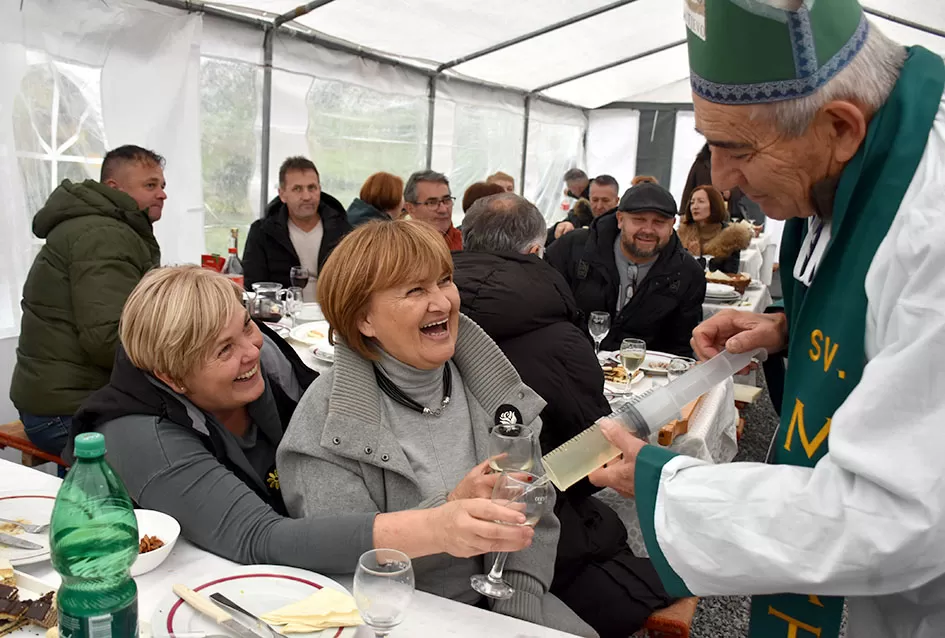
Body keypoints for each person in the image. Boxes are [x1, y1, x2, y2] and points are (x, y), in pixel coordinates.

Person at [588, 1, 945, 637]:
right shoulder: (853, 164)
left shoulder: (932, 223)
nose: (721, 177)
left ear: (839, 127)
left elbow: (894, 515)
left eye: (737, 148)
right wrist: (789, 325)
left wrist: (664, 482)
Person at [68, 266, 535, 573]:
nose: (252, 350)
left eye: (246, 327)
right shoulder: (143, 438)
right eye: (223, 350)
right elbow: (258, 538)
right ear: (172, 377)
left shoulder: (267, 367)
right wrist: (437, 525)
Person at [277, 220, 596, 637]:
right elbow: (344, 560)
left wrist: (514, 610)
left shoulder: (492, 387)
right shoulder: (329, 421)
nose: (442, 303)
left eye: (444, 280)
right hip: (394, 618)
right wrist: (446, 512)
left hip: (505, 605)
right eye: (414, 290)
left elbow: (537, 513)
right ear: (364, 320)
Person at [453, 193, 675, 636]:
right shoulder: (559, 338)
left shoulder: (429, 314)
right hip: (533, 527)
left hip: (438, 516)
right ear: (536, 252)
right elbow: (592, 446)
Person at [10, 145, 164, 456]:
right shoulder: (103, 235)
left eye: (162, 186)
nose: (162, 194)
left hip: (56, 399)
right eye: (150, 185)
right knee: (173, 451)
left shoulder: (103, 227)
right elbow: (108, 339)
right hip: (66, 411)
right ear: (113, 187)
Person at [547, 182, 705, 357]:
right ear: (620, 219)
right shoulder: (574, 249)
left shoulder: (688, 273)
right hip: (568, 362)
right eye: (639, 220)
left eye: (659, 222)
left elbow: (680, 347)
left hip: (644, 377)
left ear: (672, 225)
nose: (648, 230)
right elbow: (544, 310)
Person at [242, 156, 352, 299]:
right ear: (282, 194)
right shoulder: (263, 233)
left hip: (332, 317)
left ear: (320, 189)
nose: (306, 196)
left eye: (312, 188)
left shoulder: (343, 231)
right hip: (281, 317)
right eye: (297, 189)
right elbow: (253, 286)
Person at [679, 184, 752, 273]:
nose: (695, 206)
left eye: (701, 201)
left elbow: (729, 276)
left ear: (714, 205)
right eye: (692, 202)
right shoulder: (683, 234)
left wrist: (698, 259)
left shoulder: (732, 237)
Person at [548, 175, 620, 244]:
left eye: (605, 200)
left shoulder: (624, 224)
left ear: (617, 201)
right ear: (589, 198)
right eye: (595, 200)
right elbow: (543, 239)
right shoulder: (579, 217)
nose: (599, 206)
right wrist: (557, 229)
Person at [403, 170, 462, 250]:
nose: (443, 209)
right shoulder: (398, 249)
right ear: (410, 208)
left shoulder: (467, 245)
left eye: (447, 200)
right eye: (432, 203)